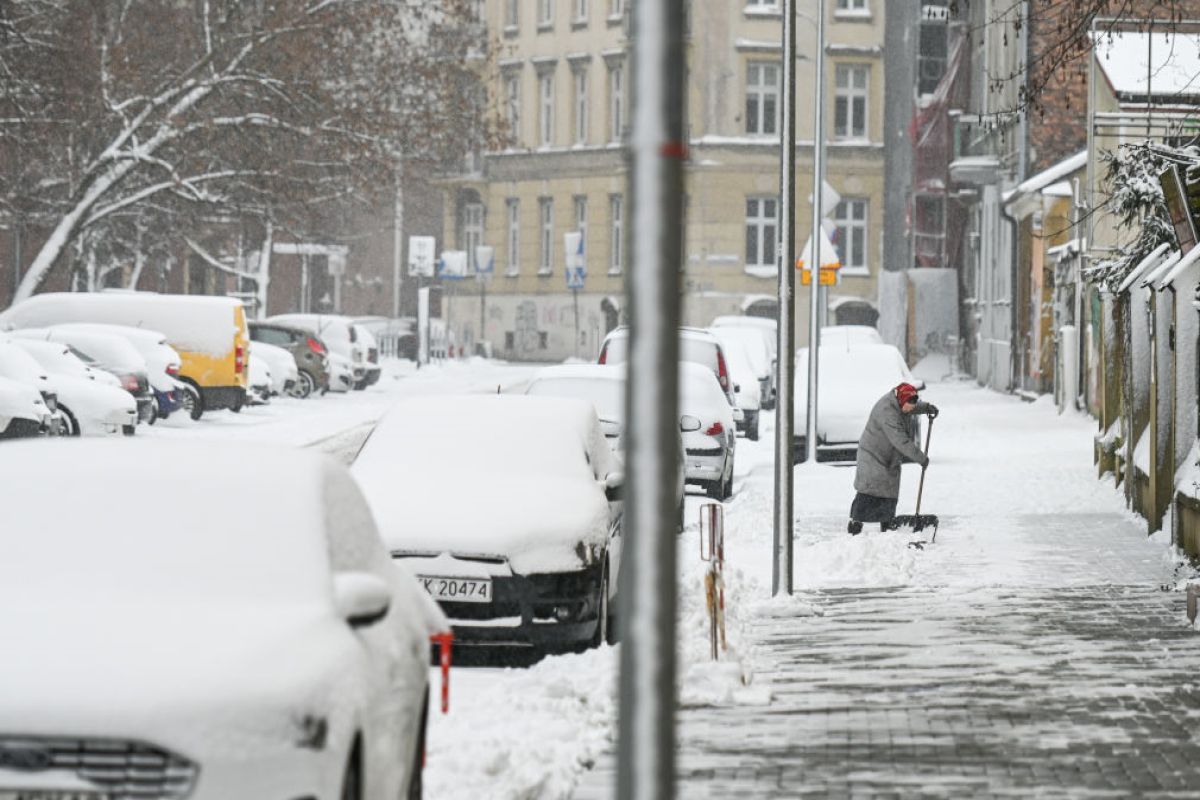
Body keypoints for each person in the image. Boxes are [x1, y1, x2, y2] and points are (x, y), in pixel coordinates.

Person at [847, 382, 938, 535]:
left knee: (889, 492)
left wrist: (926, 407)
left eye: (912, 405)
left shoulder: (900, 401)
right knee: (869, 491)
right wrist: (920, 458)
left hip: (889, 456)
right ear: (901, 400)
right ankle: (855, 523)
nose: (911, 409)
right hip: (872, 455)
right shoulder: (887, 412)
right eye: (909, 405)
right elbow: (900, 440)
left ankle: (887, 523)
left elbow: (911, 405)